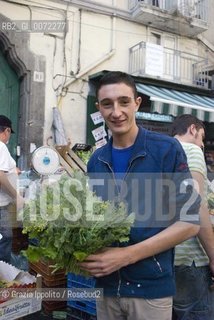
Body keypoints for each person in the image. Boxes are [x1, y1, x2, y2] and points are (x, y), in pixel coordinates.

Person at [79, 71, 201, 320]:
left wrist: (125, 256)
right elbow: (97, 223)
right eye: (107, 104)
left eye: (124, 102)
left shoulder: (166, 149)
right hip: (107, 289)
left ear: (137, 103)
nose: (116, 112)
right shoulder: (96, 161)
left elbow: (190, 223)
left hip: (150, 291)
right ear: (99, 108)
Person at [171, 114, 214, 320]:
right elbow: (196, 206)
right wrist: (213, 256)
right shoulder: (192, 151)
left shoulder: (161, 151)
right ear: (192, 129)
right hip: (190, 258)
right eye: (202, 137)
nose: (202, 144)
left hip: (162, 256)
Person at [0, 115, 24, 263]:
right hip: (1, 205)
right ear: (7, 130)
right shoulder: (1, 146)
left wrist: (12, 170)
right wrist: (16, 196)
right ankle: (3, 276)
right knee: (5, 237)